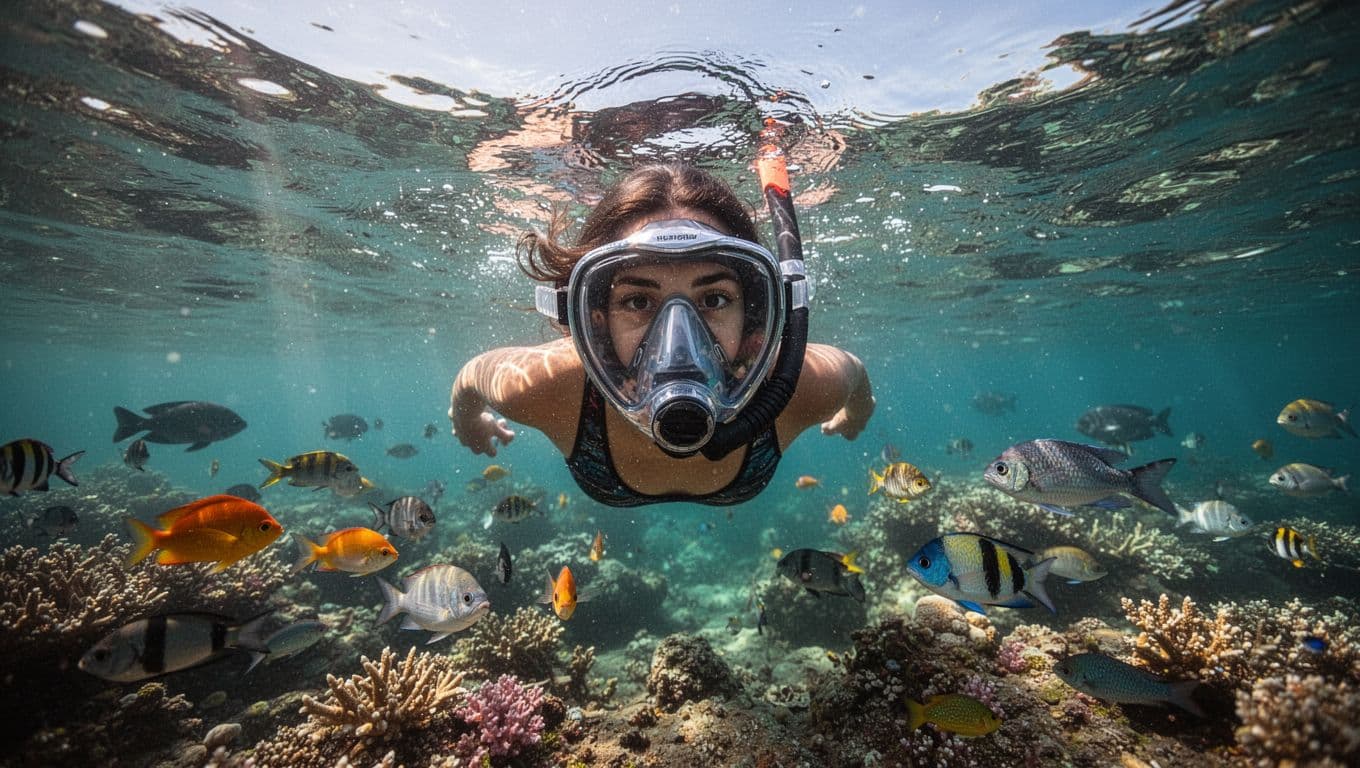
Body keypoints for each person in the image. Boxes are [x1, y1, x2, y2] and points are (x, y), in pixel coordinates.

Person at [449, 163, 874, 507]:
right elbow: (471, 378)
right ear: (594, 318)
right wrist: (469, 419)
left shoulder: (797, 382)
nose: (678, 346)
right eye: (637, 302)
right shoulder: (548, 384)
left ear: (756, 311)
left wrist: (856, 410)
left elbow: (854, 377)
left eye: (714, 299)